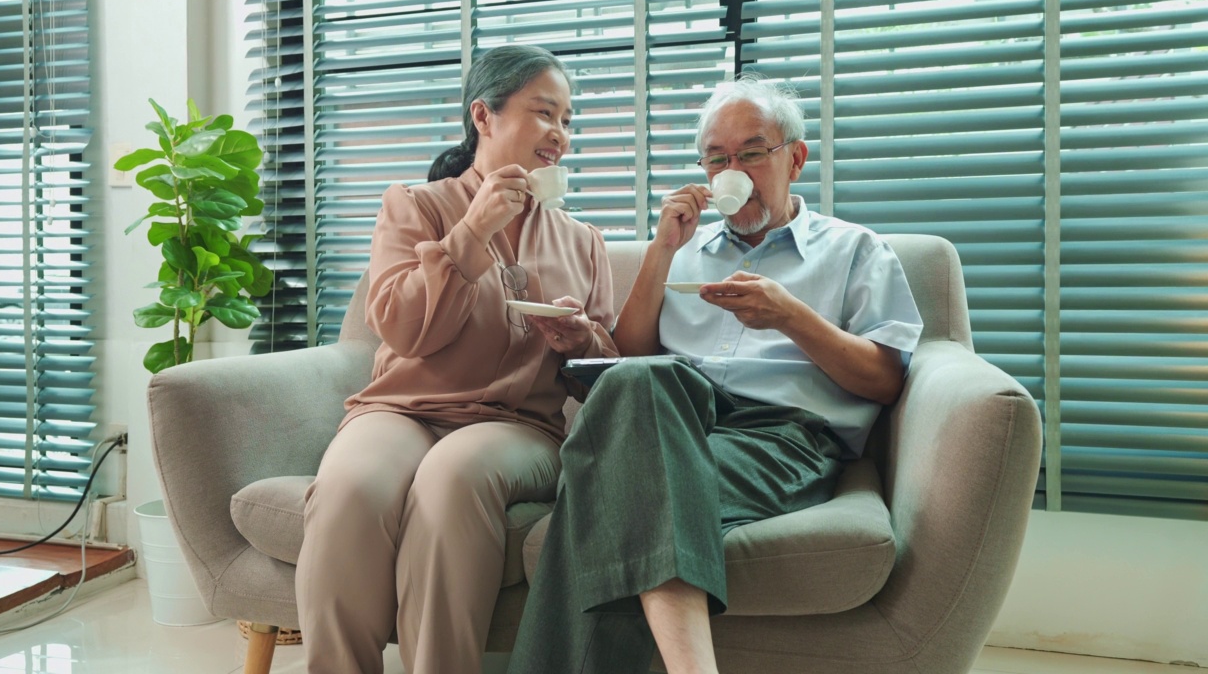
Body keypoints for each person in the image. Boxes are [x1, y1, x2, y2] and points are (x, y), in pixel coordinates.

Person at [507, 76, 924, 674]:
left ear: (795, 159)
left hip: (782, 438)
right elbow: (624, 364)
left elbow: (886, 380)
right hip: (675, 419)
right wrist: (661, 249)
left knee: (608, 487)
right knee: (642, 384)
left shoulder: (854, 250)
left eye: (752, 153)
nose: (734, 170)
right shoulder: (686, 251)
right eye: (717, 158)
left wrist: (790, 317)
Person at [296, 44, 619, 674]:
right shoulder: (415, 207)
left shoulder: (583, 241)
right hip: (402, 409)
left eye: (568, 121)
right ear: (484, 117)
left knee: (453, 476)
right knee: (349, 489)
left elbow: (608, 364)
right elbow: (402, 330)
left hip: (519, 426)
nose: (560, 135)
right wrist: (468, 235)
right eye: (545, 113)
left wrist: (580, 340)